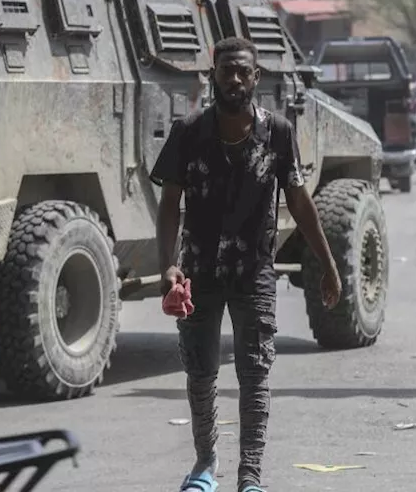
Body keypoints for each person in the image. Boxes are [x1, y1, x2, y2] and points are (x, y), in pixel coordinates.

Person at [152, 37, 342, 492]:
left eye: (243, 71)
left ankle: (250, 474)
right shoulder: (189, 132)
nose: (234, 79)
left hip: (254, 271)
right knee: (200, 370)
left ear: (256, 78)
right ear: (212, 75)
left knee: (254, 372)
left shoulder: (277, 132)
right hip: (199, 272)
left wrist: (329, 266)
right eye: (226, 71)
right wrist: (167, 267)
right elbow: (169, 202)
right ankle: (204, 464)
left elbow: (299, 200)